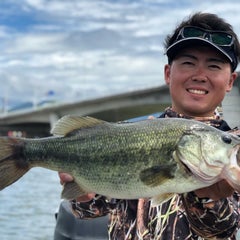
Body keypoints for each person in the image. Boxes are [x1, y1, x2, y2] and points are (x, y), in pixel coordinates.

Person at [55, 12, 240, 239]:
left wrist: (209, 198)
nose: (200, 75)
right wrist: (83, 196)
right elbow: (93, 210)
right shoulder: (131, 133)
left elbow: (224, 229)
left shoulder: (234, 150)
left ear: (231, 81)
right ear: (167, 74)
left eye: (213, 66)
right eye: (189, 63)